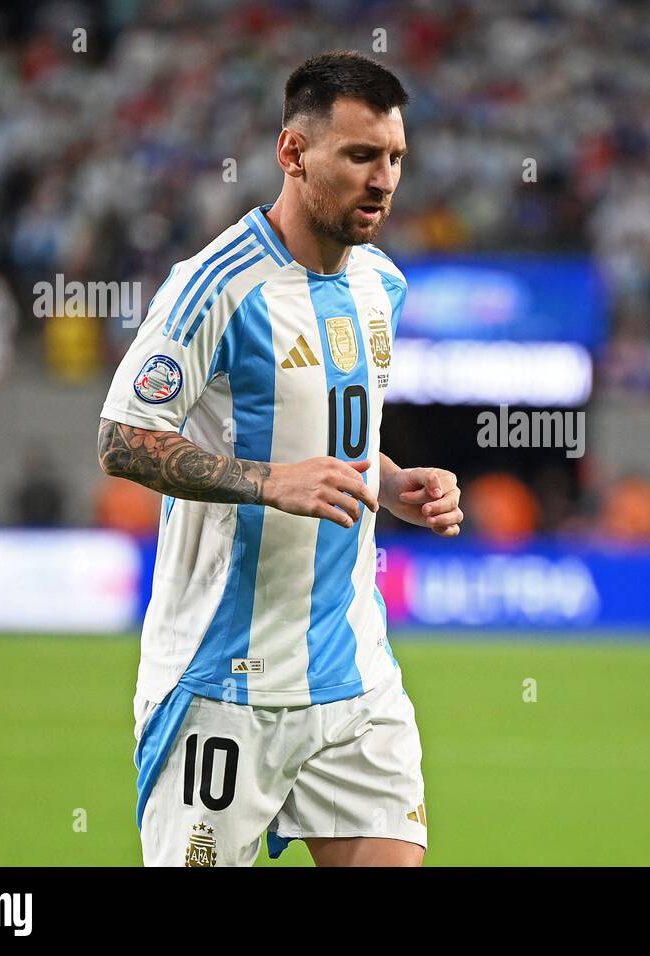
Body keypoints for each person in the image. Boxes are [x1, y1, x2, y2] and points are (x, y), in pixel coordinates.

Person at [97, 51, 463, 867]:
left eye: (395, 158)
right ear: (293, 155)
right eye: (360, 155)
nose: (384, 180)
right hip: (224, 685)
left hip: (352, 675)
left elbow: (339, 436)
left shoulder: (381, 286)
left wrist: (394, 485)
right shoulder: (215, 287)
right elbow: (122, 436)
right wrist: (269, 483)